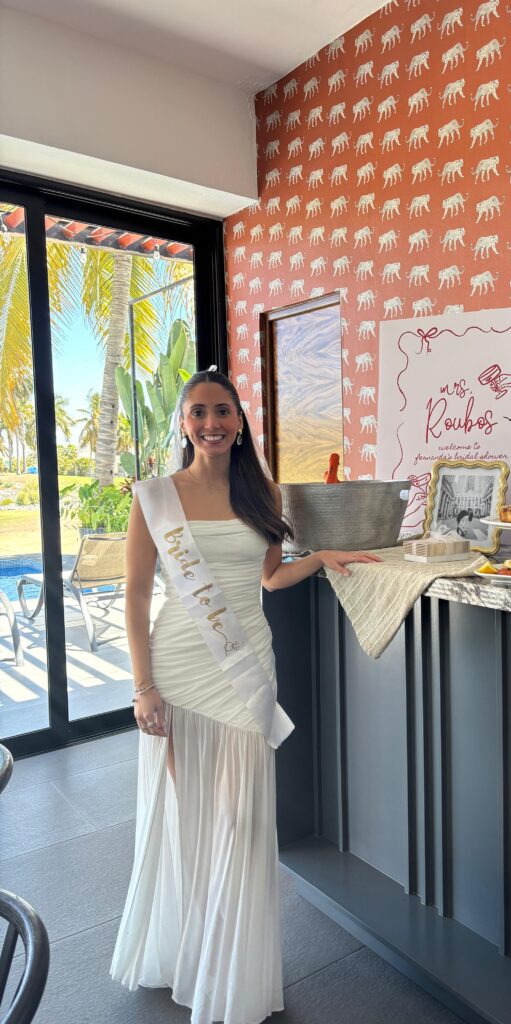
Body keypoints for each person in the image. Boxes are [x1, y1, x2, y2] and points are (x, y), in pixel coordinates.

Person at [110, 369, 380, 1024]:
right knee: (191, 818)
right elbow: (137, 596)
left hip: (246, 665)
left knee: (242, 821)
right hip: (178, 668)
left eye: (222, 411)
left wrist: (321, 557)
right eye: (199, 412)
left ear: (239, 420)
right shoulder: (154, 497)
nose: (212, 423)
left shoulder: (264, 493)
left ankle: (231, 972)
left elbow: (270, 578)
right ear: (183, 423)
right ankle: (192, 955)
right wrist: (143, 686)